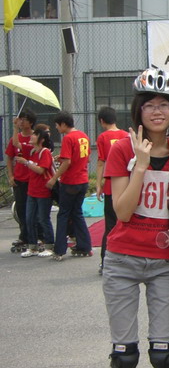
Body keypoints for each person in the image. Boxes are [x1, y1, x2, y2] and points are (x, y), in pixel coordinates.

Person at [101, 68, 169, 368]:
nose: (156, 111)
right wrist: (140, 164)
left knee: (163, 352)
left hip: (165, 261)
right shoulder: (122, 148)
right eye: (149, 104)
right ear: (138, 109)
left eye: (164, 105)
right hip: (122, 258)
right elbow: (122, 211)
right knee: (124, 354)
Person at [46, 110, 93, 260]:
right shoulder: (83, 136)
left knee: (63, 214)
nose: (56, 128)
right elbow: (87, 159)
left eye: (57, 125)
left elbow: (68, 162)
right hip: (83, 180)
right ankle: (85, 246)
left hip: (70, 181)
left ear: (63, 124)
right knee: (77, 213)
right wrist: (63, 158)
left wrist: (54, 178)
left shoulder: (68, 138)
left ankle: (59, 250)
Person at [96, 106, 129, 274]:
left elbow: (101, 162)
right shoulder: (126, 135)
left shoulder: (103, 137)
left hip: (111, 186)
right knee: (126, 224)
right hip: (127, 186)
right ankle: (126, 261)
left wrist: (98, 184)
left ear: (102, 121)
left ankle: (105, 262)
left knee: (110, 225)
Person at [14, 125, 55, 258]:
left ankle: (49, 245)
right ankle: (32, 247)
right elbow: (16, 143)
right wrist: (16, 127)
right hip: (32, 191)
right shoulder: (31, 151)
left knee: (43, 219)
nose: (32, 136)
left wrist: (26, 163)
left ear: (41, 139)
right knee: (29, 218)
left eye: (35, 135)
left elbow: (41, 170)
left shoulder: (45, 152)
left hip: (43, 191)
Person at [5, 108, 36, 252]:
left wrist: (15, 128)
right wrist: (11, 176)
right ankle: (24, 236)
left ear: (31, 122)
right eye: (20, 119)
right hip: (19, 179)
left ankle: (37, 236)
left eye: (24, 120)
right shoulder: (15, 139)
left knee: (34, 210)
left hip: (33, 179)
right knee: (21, 208)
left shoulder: (35, 138)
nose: (21, 122)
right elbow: (9, 157)